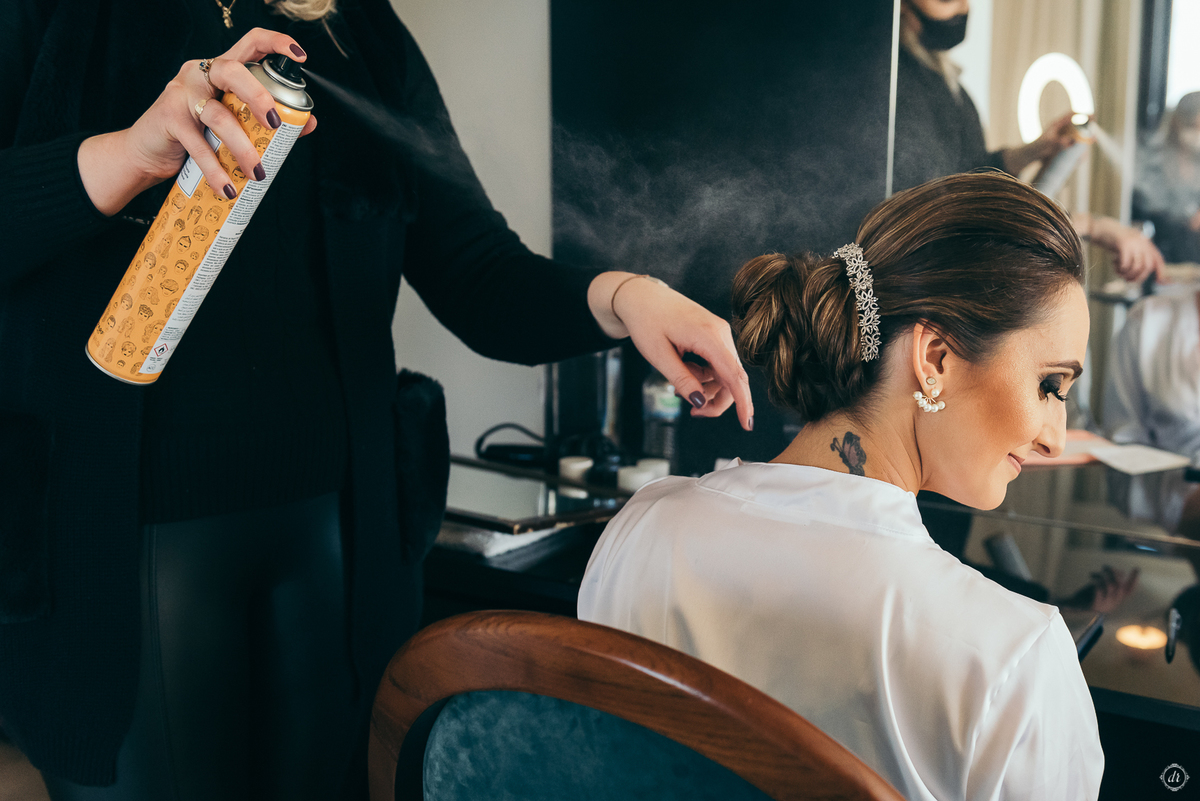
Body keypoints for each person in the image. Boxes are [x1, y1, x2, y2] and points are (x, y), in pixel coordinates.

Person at [0, 1, 754, 799]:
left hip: (332, 542)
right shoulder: (55, 16)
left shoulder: (363, 37)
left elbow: (479, 272)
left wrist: (625, 298)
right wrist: (125, 156)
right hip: (114, 548)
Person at [580, 171, 1104, 800]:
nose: (1055, 437)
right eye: (1050, 387)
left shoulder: (641, 532)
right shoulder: (1013, 663)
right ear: (934, 357)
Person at [894, 0, 1164, 284]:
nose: (963, 8)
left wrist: (1036, 150)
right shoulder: (900, 94)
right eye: (947, 0)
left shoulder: (947, 87)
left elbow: (972, 171)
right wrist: (1093, 226)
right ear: (899, 6)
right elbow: (964, 219)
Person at [1133, 91, 1200, 264]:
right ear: (1178, 121)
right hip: (1160, 250)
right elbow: (1145, 204)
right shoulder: (1153, 154)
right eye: (1194, 126)